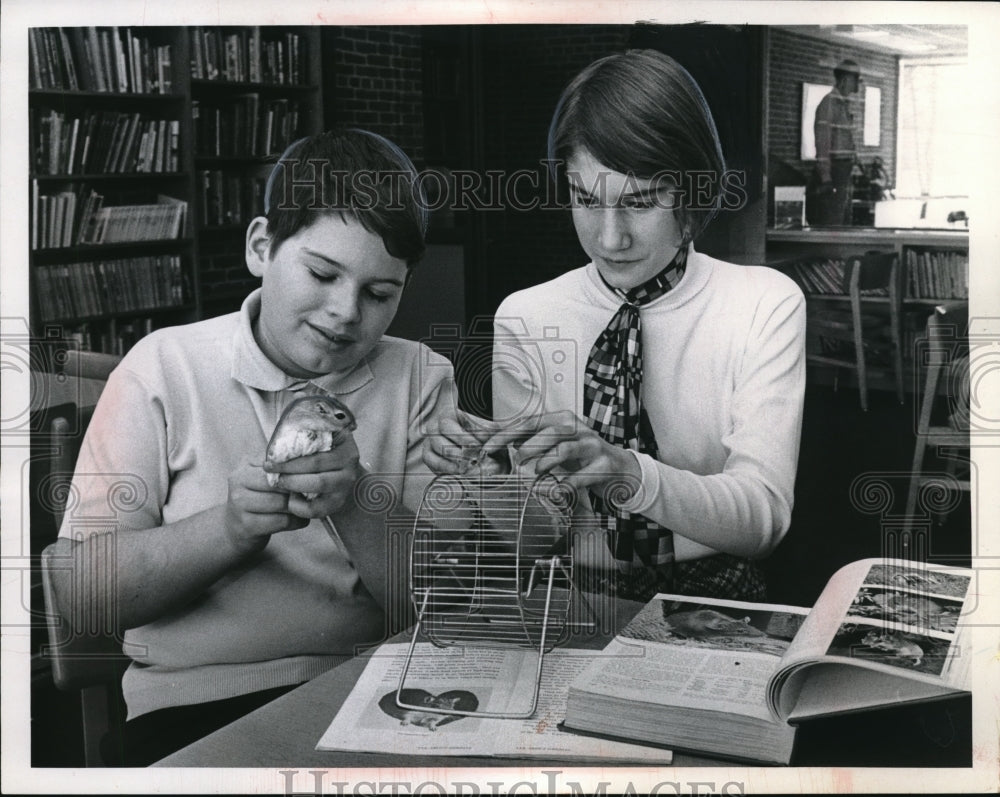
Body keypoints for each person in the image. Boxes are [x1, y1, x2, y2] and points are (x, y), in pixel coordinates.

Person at [50, 128, 458, 764]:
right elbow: (86, 597)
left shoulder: (421, 378)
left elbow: (439, 606)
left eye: (380, 293)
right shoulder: (162, 368)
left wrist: (355, 502)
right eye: (322, 273)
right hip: (192, 706)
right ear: (262, 247)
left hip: (374, 687)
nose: (346, 312)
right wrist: (231, 528)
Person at [425, 49, 806, 603]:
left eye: (642, 201)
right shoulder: (525, 316)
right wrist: (490, 483)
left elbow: (763, 523)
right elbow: (537, 540)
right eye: (585, 199)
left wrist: (624, 470)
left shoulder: (764, 304)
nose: (610, 238)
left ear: (694, 190)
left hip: (716, 596)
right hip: (569, 592)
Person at [811, 58, 862, 225]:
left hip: (844, 170)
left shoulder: (842, 104)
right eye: (856, 79)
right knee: (834, 220)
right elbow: (822, 142)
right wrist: (826, 177)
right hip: (835, 170)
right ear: (846, 79)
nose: (858, 83)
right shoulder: (829, 104)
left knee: (844, 217)